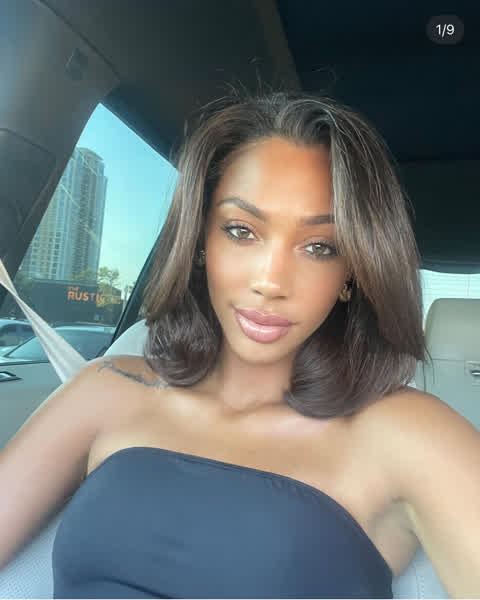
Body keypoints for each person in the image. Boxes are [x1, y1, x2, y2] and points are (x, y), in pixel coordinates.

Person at [1, 90, 479, 599]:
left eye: (320, 247)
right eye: (241, 231)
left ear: (351, 274)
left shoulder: (411, 433)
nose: (270, 282)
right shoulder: (106, 389)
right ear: (201, 242)